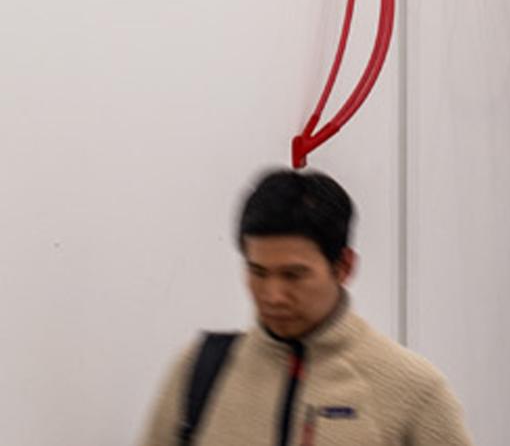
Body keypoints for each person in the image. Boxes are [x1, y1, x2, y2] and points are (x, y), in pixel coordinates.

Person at [140, 169, 474, 446]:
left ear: (343, 267)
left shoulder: (414, 391)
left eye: (293, 275)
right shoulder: (199, 372)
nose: (273, 295)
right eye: (258, 272)